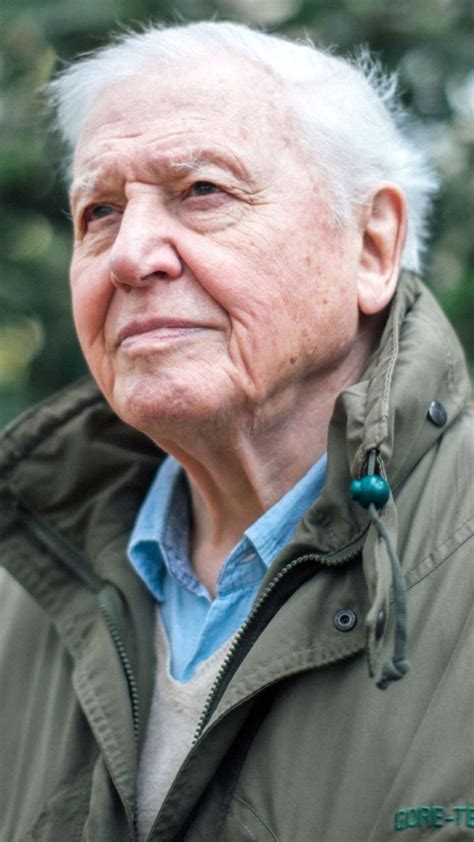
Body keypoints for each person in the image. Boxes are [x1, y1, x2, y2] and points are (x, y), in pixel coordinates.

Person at [0, 20, 472, 842]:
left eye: (203, 192)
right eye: (100, 211)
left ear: (370, 245)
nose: (131, 254)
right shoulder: (22, 580)